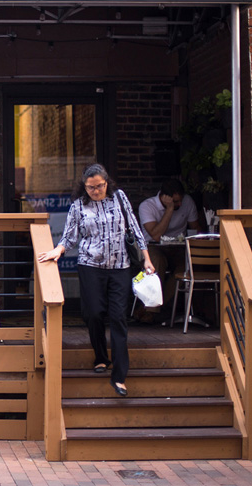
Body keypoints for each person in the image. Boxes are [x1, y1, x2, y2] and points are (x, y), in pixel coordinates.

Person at [38, 163, 154, 398]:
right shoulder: (79, 205)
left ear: (107, 182)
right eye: (91, 187)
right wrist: (57, 250)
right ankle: (101, 356)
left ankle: (120, 376)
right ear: (84, 186)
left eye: (99, 186)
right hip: (90, 266)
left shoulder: (119, 198)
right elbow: (70, 236)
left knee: (119, 316)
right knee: (93, 313)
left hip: (120, 267)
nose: (96, 191)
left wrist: (147, 261)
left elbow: (135, 229)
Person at [137, 178, 200, 322]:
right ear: (164, 197)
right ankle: (151, 312)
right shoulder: (147, 206)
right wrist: (170, 210)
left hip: (178, 247)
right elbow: (156, 235)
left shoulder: (187, 202)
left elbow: (195, 228)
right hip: (152, 246)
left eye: (180, 201)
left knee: (188, 266)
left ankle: (156, 305)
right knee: (156, 262)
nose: (180, 204)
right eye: (176, 202)